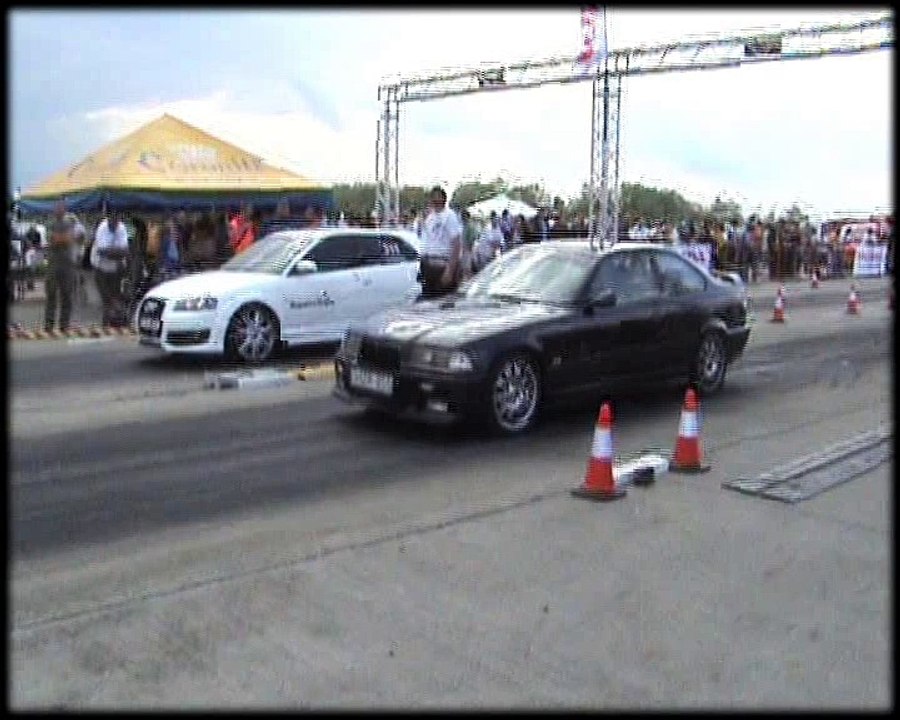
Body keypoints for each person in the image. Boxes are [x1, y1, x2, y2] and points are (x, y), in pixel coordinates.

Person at [418, 186, 463, 300]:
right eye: (433, 198)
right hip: (428, 266)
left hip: (443, 265)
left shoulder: (449, 216)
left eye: (438, 197)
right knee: (429, 303)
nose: (435, 200)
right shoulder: (430, 217)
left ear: (444, 199)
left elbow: (456, 243)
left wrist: (450, 270)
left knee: (442, 302)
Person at [43, 201, 79, 332]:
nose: (59, 210)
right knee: (51, 295)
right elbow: (53, 240)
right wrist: (63, 238)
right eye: (57, 208)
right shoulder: (50, 223)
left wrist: (61, 238)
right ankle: (49, 324)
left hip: (68, 263)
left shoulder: (70, 223)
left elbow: (70, 239)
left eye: (61, 208)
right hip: (53, 263)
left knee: (67, 295)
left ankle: (64, 324)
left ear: (64, 210)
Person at [91, 208, 130, 327]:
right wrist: (117, 252)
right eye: (112, 219)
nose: (115, 222)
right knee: (106, 297)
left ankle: (116, 322)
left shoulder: (121, 228)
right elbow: (102, 252)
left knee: (116, 296)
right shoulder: (102, 228)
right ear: (108, 219)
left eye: (117, 219)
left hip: (116, 268)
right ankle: (106, 324)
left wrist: (113, 253)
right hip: (100, 268)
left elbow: (125, 251)